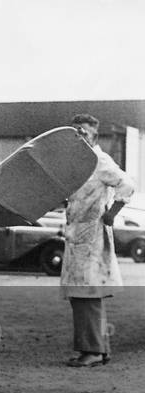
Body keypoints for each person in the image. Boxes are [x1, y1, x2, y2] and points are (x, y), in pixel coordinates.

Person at [61, 113, 135, 368]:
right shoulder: (76, 162)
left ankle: (92, 351)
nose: (78, 136)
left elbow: (127, 184)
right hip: (75, 233)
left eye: (83, 131)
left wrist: (111, 214)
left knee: (88, 293)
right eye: (74, 131)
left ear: (94, 134)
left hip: (92, 234)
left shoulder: (100, 160)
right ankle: (98, 349)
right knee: (81, 294)